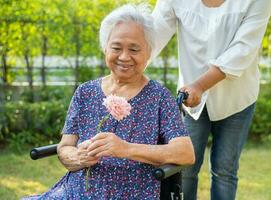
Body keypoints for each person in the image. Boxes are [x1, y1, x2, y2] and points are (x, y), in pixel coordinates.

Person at [23, 4, 195, 200]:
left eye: (134, 49)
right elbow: (65, 147)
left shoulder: (159, 97)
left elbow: (185, 153)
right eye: (116, 47)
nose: (124, 57)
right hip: (75, 192)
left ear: (148, 52)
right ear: (105, 48)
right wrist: (79, 157)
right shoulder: (85, 92)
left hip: (131, 194)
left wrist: (125, 149)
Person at [152, 0, 271, 199]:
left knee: (224, 170)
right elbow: (151, 37)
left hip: (236, 98)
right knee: (185, 168)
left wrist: (200, 85)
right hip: (191, 101)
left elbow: (243, 49)